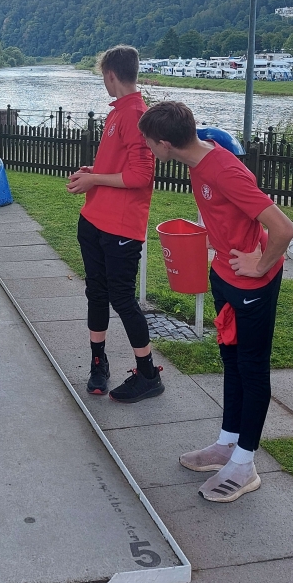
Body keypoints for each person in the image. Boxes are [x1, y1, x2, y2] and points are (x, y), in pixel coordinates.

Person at [138, 101, 293, 502]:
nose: (147, 148)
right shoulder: (198, 155)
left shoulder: (223, 169)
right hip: (225, 276)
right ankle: (228, 444)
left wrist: (260, 264)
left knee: (252, 368)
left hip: (251, 285)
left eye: (148, 142)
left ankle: (244, 465)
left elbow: (283, 228)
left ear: (164, 143)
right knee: (232, 361)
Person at [66, 45, 164, 403]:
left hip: (121, 227)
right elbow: (120, 167)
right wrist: (95, 172)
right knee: (96, 292)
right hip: (93, 219)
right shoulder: (118, 111)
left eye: (103, 77)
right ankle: (98, 362)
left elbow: (141, 176)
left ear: (110, 75)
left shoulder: (137, 114)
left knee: (121, 298)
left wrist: (95, 180)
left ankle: (148, 374)